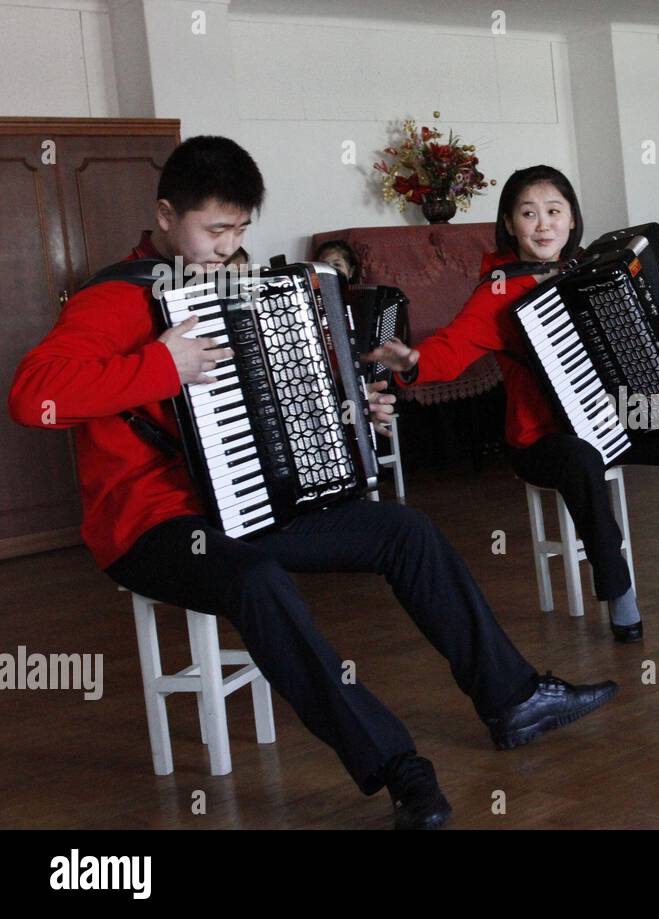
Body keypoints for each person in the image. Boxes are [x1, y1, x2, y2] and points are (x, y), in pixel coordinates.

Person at [7, 136, 617, 831]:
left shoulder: (234, 290)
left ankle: (513, 698)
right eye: (214, 230)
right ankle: (397, 766)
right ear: (167, 215)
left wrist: (352, 408)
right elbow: (33, 396)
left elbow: (266, 403)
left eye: (239, 230)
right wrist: (160, 365)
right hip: (150, 522)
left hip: (248, 500)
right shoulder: (113, 300)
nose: (225, 246)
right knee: (258, 577)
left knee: (405, 529)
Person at [365, 165, 659, 644]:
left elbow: (652, 323)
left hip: (614, 416)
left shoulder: (594, 270)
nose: (543, 224)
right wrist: (413, 360)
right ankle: (618, 587)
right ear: (510, 224)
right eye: (529, 213)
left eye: (554, 211)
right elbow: (453, 346)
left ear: (572, 219)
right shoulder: (498, 289)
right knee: (581, 458)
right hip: (543, 437)